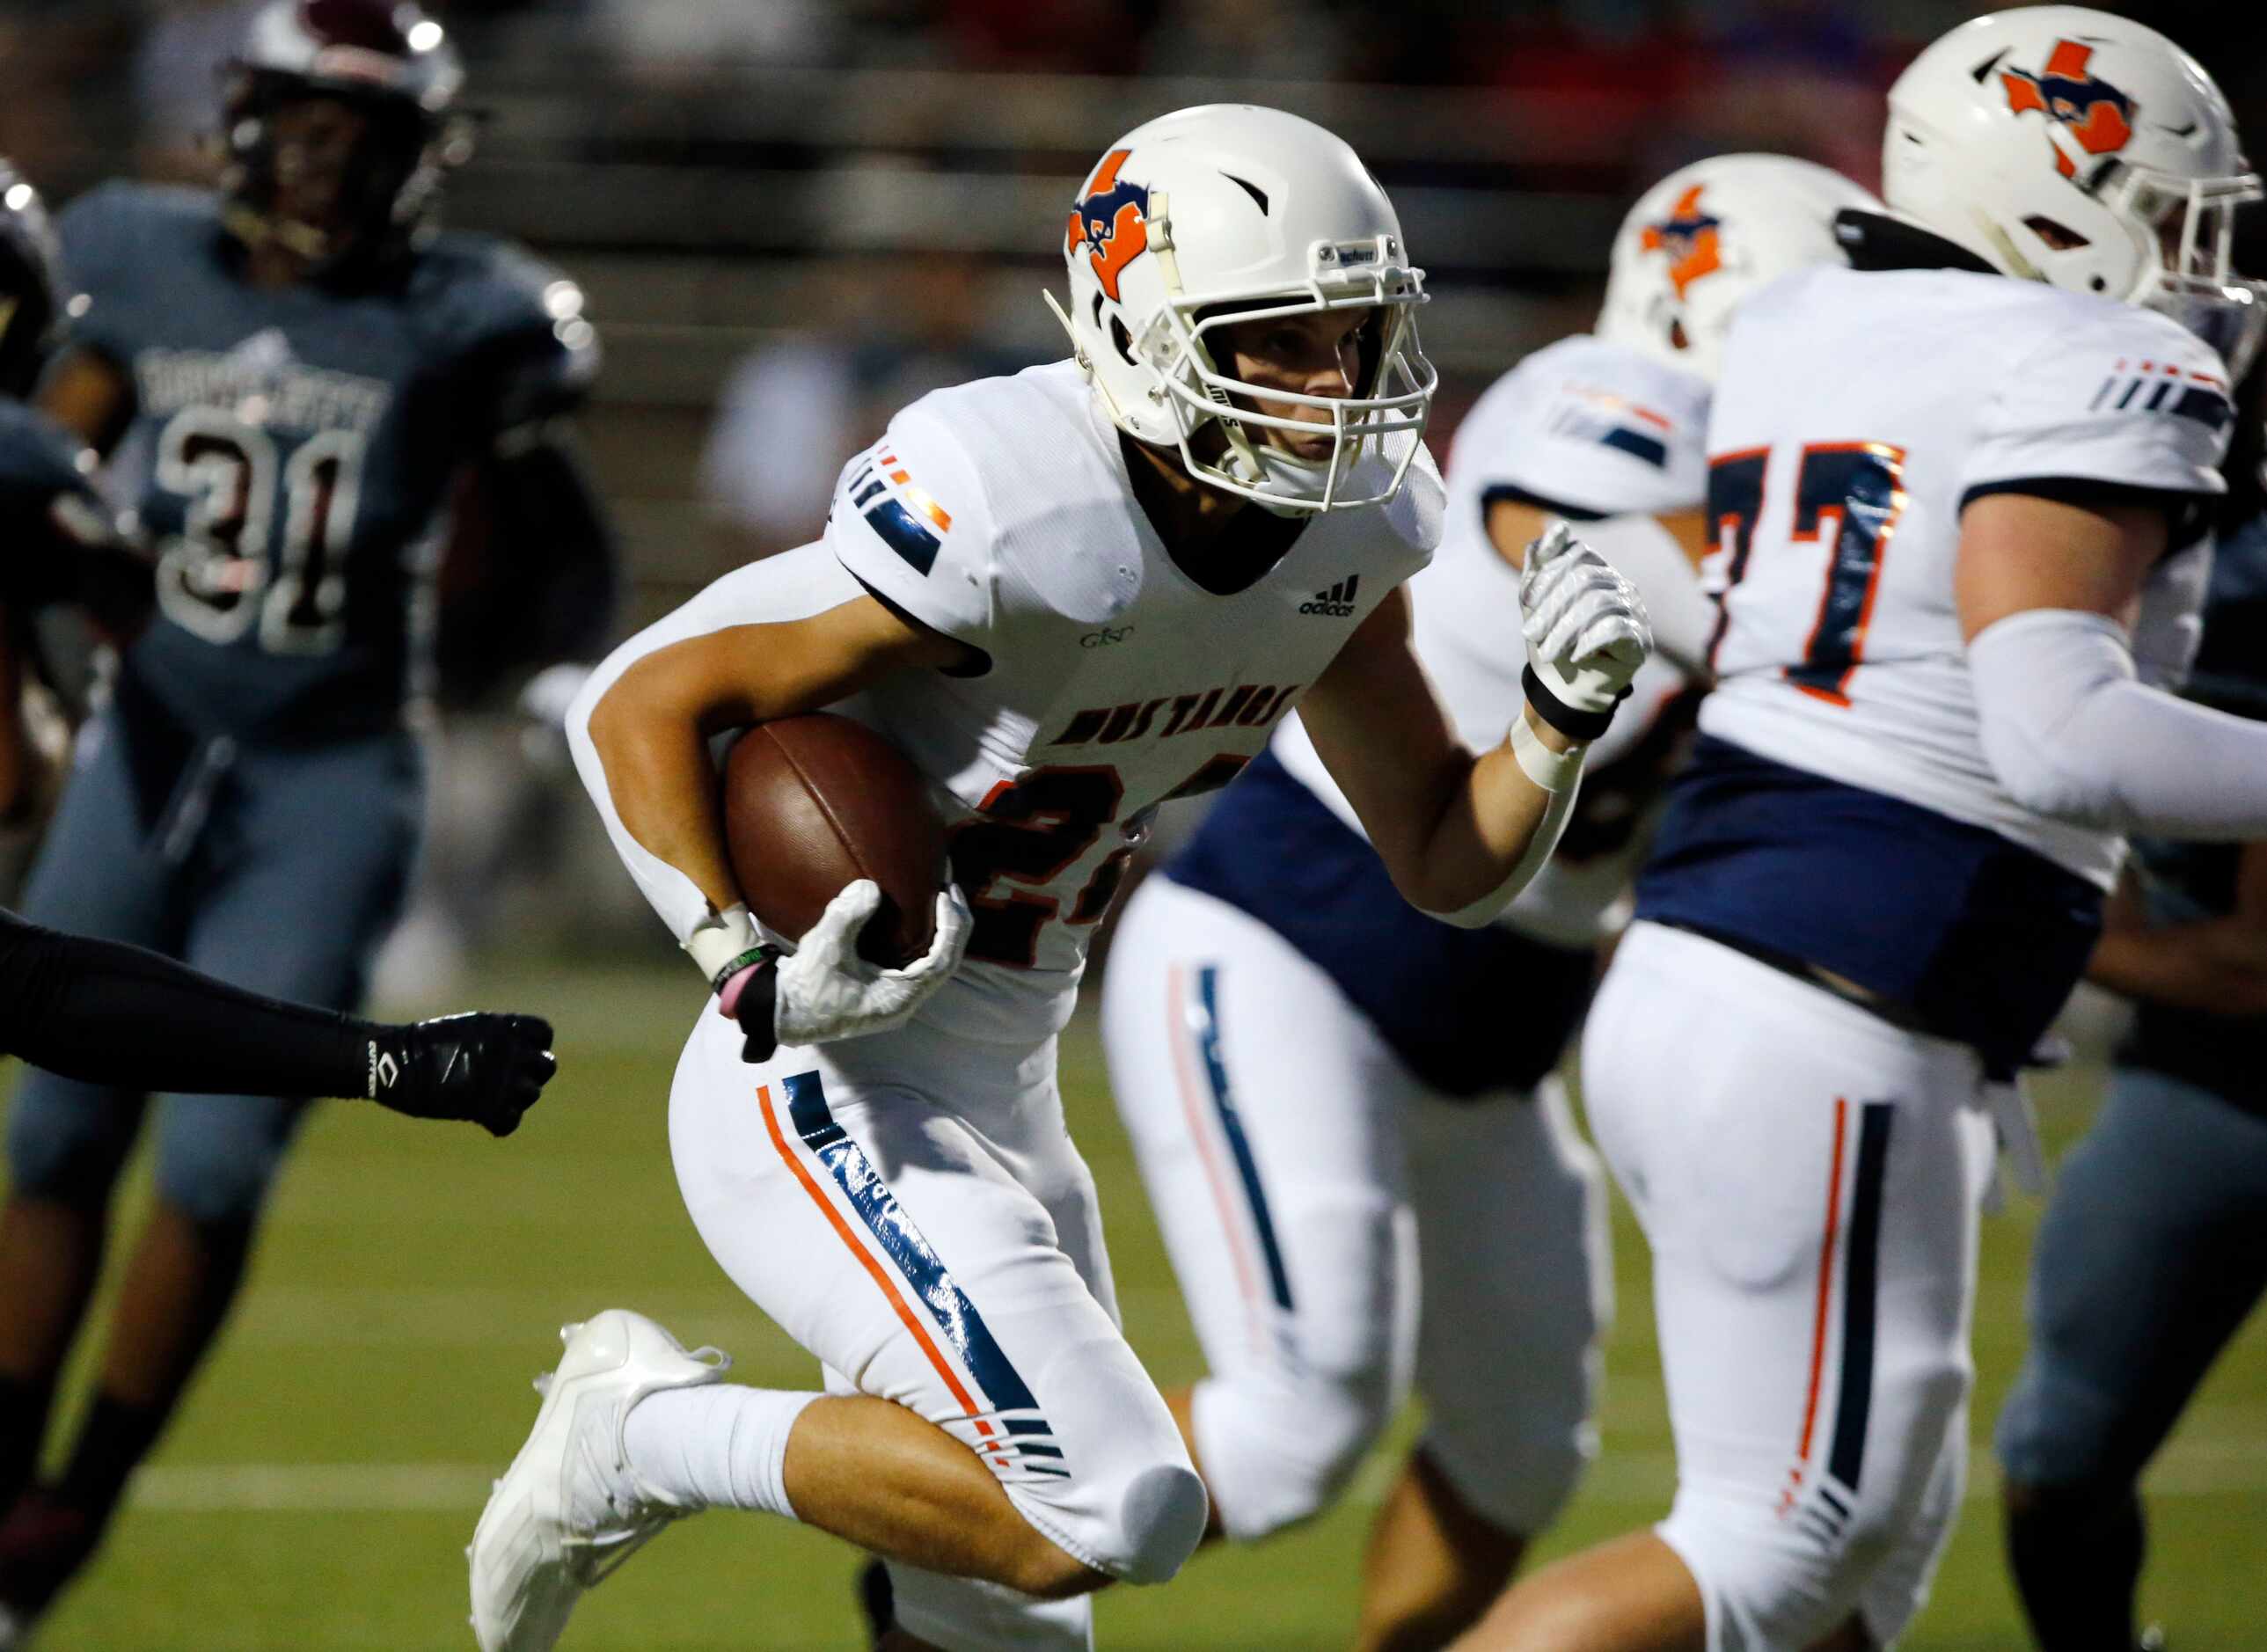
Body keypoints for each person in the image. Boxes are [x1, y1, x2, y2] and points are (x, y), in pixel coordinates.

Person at [469, 104, 1654, 1652]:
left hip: (1011, 1072)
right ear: (1139, 329)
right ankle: (638, 1433)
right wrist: (736, 956)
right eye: (1279, 340)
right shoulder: (1015, 501)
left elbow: (1443, 858)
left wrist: (1555, 730)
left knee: (1000, 1629)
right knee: (1108, 1505)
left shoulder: (1348, 524)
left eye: (1353, 336)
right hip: (824, 1070)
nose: (1333, 385)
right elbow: (643, 696)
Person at [1455, 8, 2267, 1650]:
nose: (2197, 264)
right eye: (2171, 212)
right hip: (1838, 991)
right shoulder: (2090, 360)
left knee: (1869, 1554)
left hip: (1723, 967)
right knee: (1780, 1544)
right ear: (2050, 196)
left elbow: (1685, 578)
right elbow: (2052, 732)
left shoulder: (1813, 320)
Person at [1093, 153, 1874, 1651]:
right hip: (1297, 942)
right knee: (1290, 1423)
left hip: (1503, 1009)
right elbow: (1557, 526)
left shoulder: (1777, 485)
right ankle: (946, 1551)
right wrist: (1854, 571)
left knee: (1522, 1441)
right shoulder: (1614, 393)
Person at [0, 0, 614, 1630]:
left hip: (334, 761)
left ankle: (82, 1493)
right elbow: (38, 470)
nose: (336, 164)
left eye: (373, 134)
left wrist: (555, 673)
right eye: (312, 125)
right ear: (246, 118)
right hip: (149, 720)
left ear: (424, 154)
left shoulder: (470, 313)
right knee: (49, 1126)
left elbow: (558, 535)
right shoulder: (129, 253)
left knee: (210, 1160)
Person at [1993, 477, 2267, 1652]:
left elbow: (2254, 967)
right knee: (2055, 1458)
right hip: (2201, 1081)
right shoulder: (2110, 515)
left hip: (2227, 1052)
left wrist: (2043, 921)